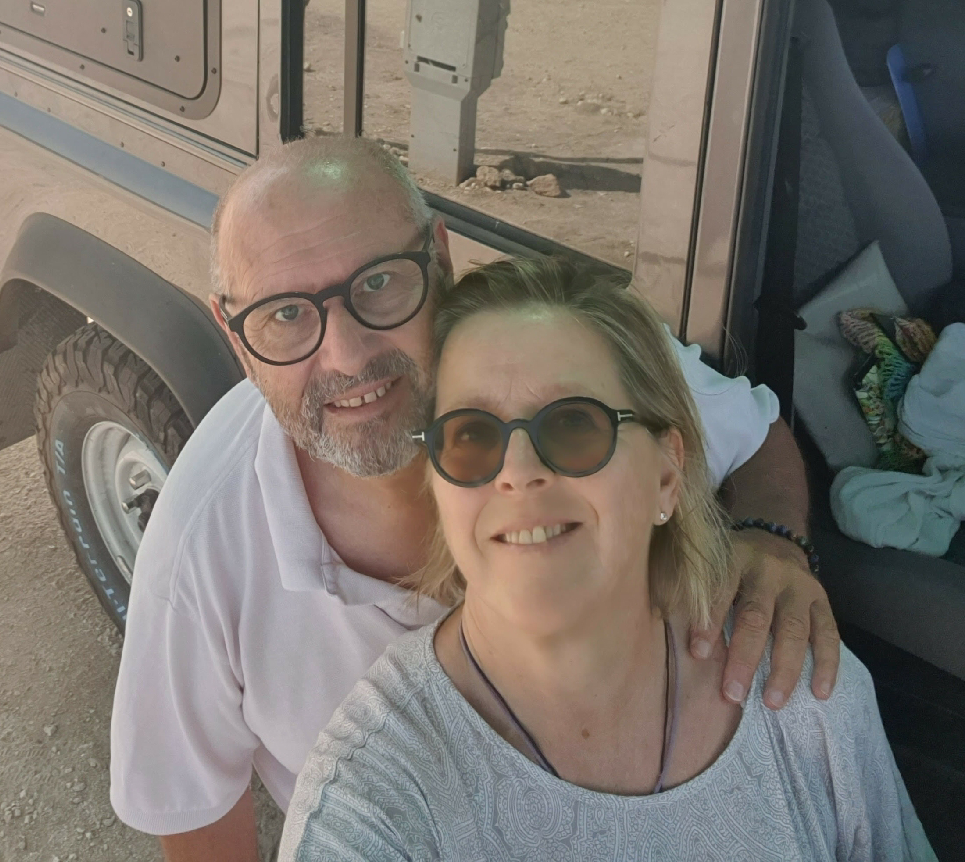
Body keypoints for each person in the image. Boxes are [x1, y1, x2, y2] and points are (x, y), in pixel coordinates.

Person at [110, 136, 839, 860]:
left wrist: (772, 541)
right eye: (286, 315)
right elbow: (195, 813)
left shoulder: (555, 363)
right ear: (234, 336)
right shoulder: (199, 551)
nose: (349, 354)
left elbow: (752, 433)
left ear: (440, 256)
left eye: (377, 282)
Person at [280, 255, 934, 862]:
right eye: (472, 435)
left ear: (666, 475)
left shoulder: (802, 693)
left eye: (573, 425)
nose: (518, 472)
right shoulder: (373, 806)